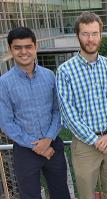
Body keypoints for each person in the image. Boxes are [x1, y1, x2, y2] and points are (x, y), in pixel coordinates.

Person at [56, 12, 107, 199]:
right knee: (86, 194)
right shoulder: (65, 71)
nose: (90, 39)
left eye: (95, 33)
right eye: (85, 34)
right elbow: (68, 113)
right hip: (85, 145)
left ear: (100, 35)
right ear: (77, 35)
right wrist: (95, 141)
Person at [0, 27, 70, 199]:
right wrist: (36, 147)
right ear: (10, 49)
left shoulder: (49, 76)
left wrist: (48, 140)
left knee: (61, 193)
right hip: (24, 152)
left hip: (53, 145)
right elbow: (6, 122)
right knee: (30, 196)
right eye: (18, 47)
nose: (24, 52)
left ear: (35, 47)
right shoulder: (4, 83)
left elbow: (58, 111)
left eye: (28, 46)